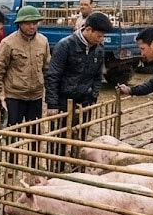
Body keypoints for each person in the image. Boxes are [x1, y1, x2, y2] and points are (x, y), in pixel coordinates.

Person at [45, 12, 113, 146]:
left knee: (81, 138)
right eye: (99, 36)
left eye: (102, 36)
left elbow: (97, 77)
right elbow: (53, 75)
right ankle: (58, 166)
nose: (100, 39)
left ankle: (78, 166)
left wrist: (93, 97)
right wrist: (52, 104)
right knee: (60, 139)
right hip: (64, 100)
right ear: (88, 30)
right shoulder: (65, 45)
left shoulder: (98, 50)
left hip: (84, 100)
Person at [0, 5, 51, 125]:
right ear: (20, 23)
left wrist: (49, 93)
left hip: (36, 96)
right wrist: (1, 95)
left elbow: (47, 68)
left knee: (34, 132)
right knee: (14, 131)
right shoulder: (8, 43)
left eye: (35, 23)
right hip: (14, 96)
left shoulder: (43, 41)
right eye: (28, 23)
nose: (32, 26)